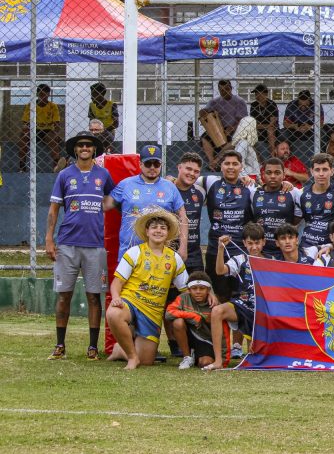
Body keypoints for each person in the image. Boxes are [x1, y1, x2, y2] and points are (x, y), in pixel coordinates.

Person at [44, 130, 114, 361]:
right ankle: (60, 345)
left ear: (94, 149)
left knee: (94, 296)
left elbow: (112, 200)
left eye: (89, 145)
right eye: (81, 145)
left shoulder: (103, 174)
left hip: (95, 244)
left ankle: (92, 347)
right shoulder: (65, 175)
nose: (84, 148)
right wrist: (49, 239)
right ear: (75, 149)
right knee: (64, 295)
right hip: (67, 244)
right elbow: (54, 209)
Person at [105, 208, 187, 369]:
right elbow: (116, 283)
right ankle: (131, 357)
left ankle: (120, 350)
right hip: (131, 302)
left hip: (152, 312)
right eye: (154, 227)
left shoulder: (174, 258)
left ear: (168, 233)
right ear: (147, 231)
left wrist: (207, 296)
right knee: (113, 313)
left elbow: (185, 289)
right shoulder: (135, 252)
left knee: (147, 361)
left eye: (163, 228)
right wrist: (116, 298)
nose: (158, 231)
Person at [106, 144, 188, 259]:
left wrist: (183, 247)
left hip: (160, 253)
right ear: (140, 164)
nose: (152, 167)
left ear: (161, 165)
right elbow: (105, 205)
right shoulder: (126, 184)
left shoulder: (170, 187)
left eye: (156, 164)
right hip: (130, 252)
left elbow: (183, 217)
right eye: (148, 163)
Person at [199, 150, 255, 300]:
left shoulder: (249, 186)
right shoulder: (210, 181)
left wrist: (286, 184)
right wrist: (171, 178)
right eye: (227, 163)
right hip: (216, 249)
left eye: (235, 164)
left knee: (240, 294)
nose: (231, 167)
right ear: (221, 166)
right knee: (218, 295)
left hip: (240, 250)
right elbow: (187, 180)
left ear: (241, 166)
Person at [209, 222, 266, 366]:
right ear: (244, 243)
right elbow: (220, 271)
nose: (254, 247)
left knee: (256, 356)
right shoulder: (240, 259)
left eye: (257, 243)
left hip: (263, 311)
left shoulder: (271, 261)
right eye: (250, 243)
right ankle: (218, 360)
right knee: (216, 311)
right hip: (242, 305)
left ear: (263, 242)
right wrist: (221, 249)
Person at [165, 271, 221, 370]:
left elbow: (223, 329)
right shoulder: (183, 298)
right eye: (194, 288)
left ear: (208, 290)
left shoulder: (214, 303)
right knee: (178, 322)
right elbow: (169, 313)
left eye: (202, 288)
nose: (198, 291)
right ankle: (187, 357)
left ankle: (195, 355)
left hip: (205, 339)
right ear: (189, 290)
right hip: (187, 336)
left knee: (205, 363)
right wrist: (193, 316)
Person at [298, 153, 334, 254]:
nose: (321, 174)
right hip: (306, 245)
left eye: (325, 169)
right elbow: (294, 223)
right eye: (317, 170)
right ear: (312, 171)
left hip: (330, 247)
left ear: (332, 171)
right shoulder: (301, 193)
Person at [251, 157, 301, 260]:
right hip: (261, 249)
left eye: (277, 173)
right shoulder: (253, 193)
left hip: (285, 250)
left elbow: (298, 218)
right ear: (263, 175)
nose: (273, 176)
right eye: (269, 173)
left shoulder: (293, 192)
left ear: (284, 175)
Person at [169, 152, 207, 275]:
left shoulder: (201, 192)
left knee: (198, 286)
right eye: (188, 169)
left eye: (196, 171)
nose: (192, 173)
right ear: (179, 167)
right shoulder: (166, 189)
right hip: (169, 252)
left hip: (194, 255)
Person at [199, 79, 248, 168]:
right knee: (204, 138)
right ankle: (211, 161)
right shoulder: (214, 102)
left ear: (231, 88)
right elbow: (205, 112)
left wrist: (232, 128)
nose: (224, 92)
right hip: (219, 129)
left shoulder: (239, 101)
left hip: (235, 128)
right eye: (221, 90)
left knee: (236, 140)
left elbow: (242, 120)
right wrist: (203, 112)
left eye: (226, 89)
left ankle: (216, 161)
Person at [19, 83, 63, 172]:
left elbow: (56, 123)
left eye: (46, 95)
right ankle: (22, 166)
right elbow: (25, 122)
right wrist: (25, 130)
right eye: (41, 95)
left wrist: (56, 133)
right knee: (23, 137)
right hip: (33, 129)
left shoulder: (52, 106)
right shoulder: (30, 105)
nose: (43, 97)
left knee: (53, 139)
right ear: (37, 94)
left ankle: (56, 167)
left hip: (47, 130)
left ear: (48, 95)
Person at [282, 89, 323, 161]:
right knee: (282, 134)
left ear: (309, 100)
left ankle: (321, 158)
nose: (303, 106)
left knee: (323, 133)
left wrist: (311, 127)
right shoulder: (291, 105)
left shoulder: (316, 105)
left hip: (311, 129)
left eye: (305, 105)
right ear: (298, 100)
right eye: (300, 104)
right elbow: (285, 123)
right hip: (295, 128)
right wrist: (294, 126)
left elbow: (321, 123)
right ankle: (286, 157)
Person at [249, 84, 279, 154]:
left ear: (265, 94)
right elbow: (253, 124)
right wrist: (264, 125)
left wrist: (260, 126)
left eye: (259, 94)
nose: (257, 96)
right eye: (256, 94)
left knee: (270, 130)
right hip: (258, 130)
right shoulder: (254, 105)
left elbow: (272, 124)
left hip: (272, 130)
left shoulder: (272, 104)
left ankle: (272, 154)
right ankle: (256, 157)